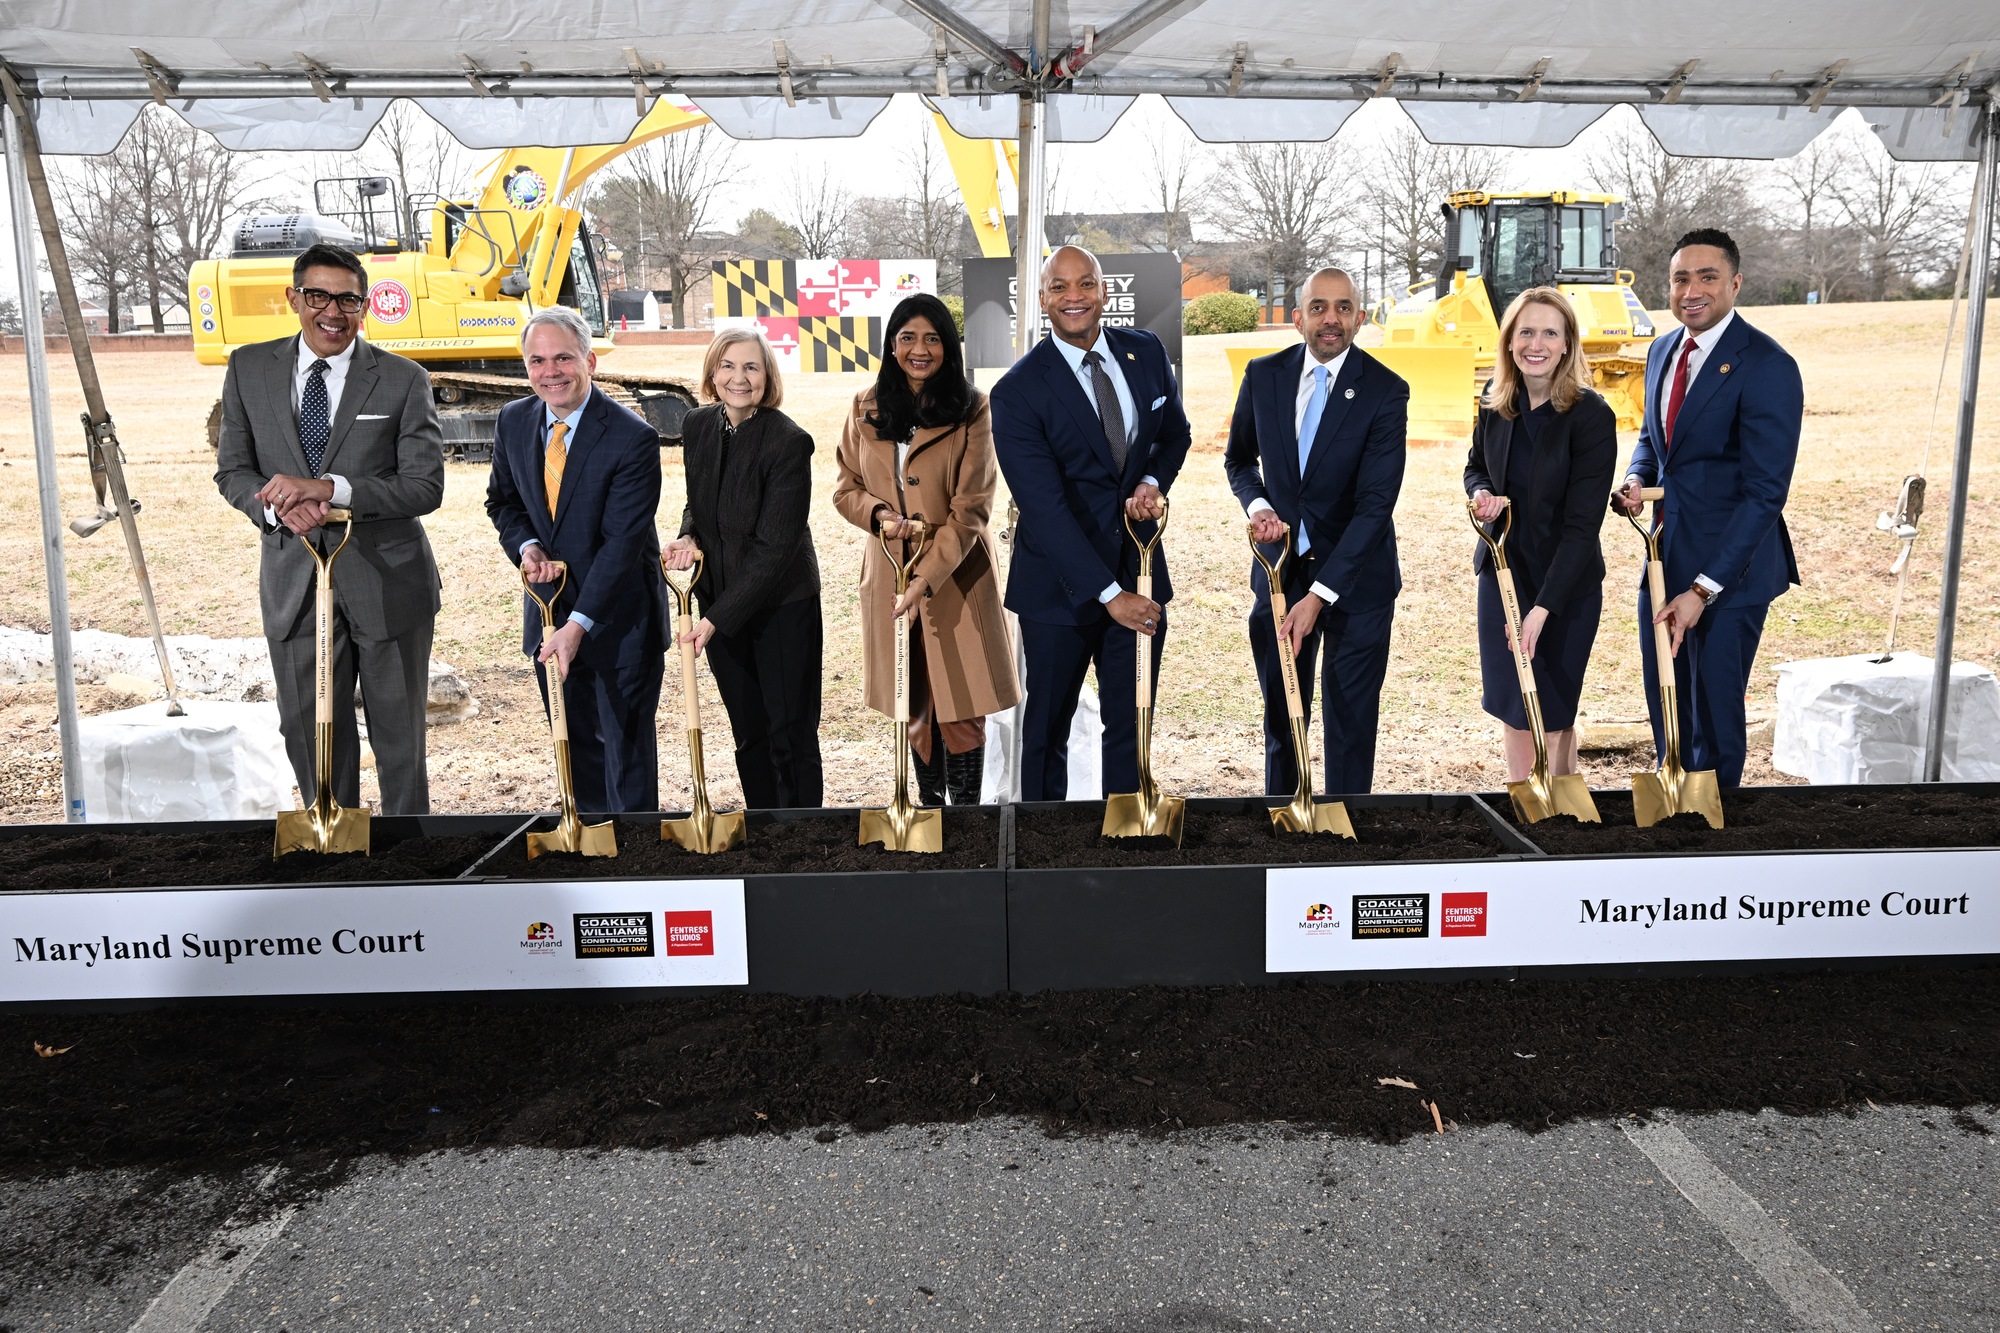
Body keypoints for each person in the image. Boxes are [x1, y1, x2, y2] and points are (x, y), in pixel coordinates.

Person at [214, 241, 443, 815]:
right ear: (293, 298)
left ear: (364, 307)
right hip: (295, 583)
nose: (332, 312)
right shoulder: (248, 368)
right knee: (310, 733)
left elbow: (425, 487)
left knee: (399, 739)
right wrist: (274, 507)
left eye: (348, 300)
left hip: (389, 583)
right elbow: (234, 470)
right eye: (317, 296)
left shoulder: (402, 379)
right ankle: (334, 848)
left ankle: (409, 857)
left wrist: (331, 489)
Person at [990, 245, 1192, 801]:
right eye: (1059, 287)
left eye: (1085, 284)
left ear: (1105, 291)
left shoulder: (1145, 351)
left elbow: (1175, 434)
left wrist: (1152, 481)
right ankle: (1042, 856)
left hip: (1140, 572)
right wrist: (1109, 595)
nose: (1073, 297)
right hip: (1058, 593)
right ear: (1042, 299)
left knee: (1131, 728)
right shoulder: (1017, 391)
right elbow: (1045, 508)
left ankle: (1122, 851)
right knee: (1046, 734)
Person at [1613, 228, 1801, 788]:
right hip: (1663, 557)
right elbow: (1653, 437)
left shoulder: (1767, 365)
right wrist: (1636, 477)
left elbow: (1766, 491)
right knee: (1668, 697)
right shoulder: (1663, 350)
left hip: (1731, 571)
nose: (1691, 290)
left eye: (1707, 276)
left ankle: (1713, 830)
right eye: (1680, 278)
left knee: (1714, 715)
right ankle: (1672, 806)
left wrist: (1702, 590)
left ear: (1735, 283)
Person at [1224, 267, 1409, 796]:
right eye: (1320, 307)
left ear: (1361, 317)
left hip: (1357, 584)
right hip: (1279, 576)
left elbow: (1376, 506)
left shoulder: (1385, 392)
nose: (1332, 319)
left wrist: (1320, 595)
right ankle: (1284, 825)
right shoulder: (1264, 375)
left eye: (1344, 308)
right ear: (1299, 315)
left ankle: (1344, 830)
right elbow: (1239, 460)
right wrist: (1258, 505)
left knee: (1350, 723)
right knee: (1283, 716)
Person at [833, 293, 1020, 806]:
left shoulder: (973, 407)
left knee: (961, 705)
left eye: (933, 338)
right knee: (911, 701)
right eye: (908, 337)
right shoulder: (864, 406)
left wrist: (925, 576)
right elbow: (845, 488)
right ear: (892, 346)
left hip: (956, 577)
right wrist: (877, 516)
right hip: (890, 573)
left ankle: (967, 822)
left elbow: (973, 508)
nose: (920, 349)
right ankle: (929, 814)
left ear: (949, 346)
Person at [485, 306, 668, 813]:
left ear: (589, 359)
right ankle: (589, 856)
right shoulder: (514, 420)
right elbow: (503, 502)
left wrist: (580, 623)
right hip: (549, 617)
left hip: (618, 623)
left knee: (626, 761)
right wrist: (527, 548)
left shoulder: (633, 436)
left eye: (563, 358)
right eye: (537, 361)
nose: (550, 372)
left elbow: (623, 543)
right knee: (575, 749)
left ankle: (634, 865)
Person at [663, 329, 824, 809]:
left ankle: (803, 837)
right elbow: (699, 502)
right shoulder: (697, 425)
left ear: (767, 376)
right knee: (748, 731)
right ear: (713, 373)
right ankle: (763, 830)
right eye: (728, 366)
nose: (739, 377)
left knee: (789, 732)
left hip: (781, 606)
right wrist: (689, 534)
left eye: (752, 367)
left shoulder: (790, 442)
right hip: (721, 601)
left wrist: (714, 620)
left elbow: (775, 548)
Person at [1464, 288, 1619, 781]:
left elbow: (1582, 527)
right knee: (1514, 702)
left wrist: (1542, 610)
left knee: (1553, 702)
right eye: (1526, 331)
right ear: (1509, 341)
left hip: (1564, 584)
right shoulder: (1495, 402)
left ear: (1567, 343)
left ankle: (1561, 816)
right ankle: (1523, 802)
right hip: (1505, 573)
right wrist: (1483, 492)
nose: (1537, 343)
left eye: (1550, 332)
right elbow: (1473, 467)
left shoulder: (1591, 416)